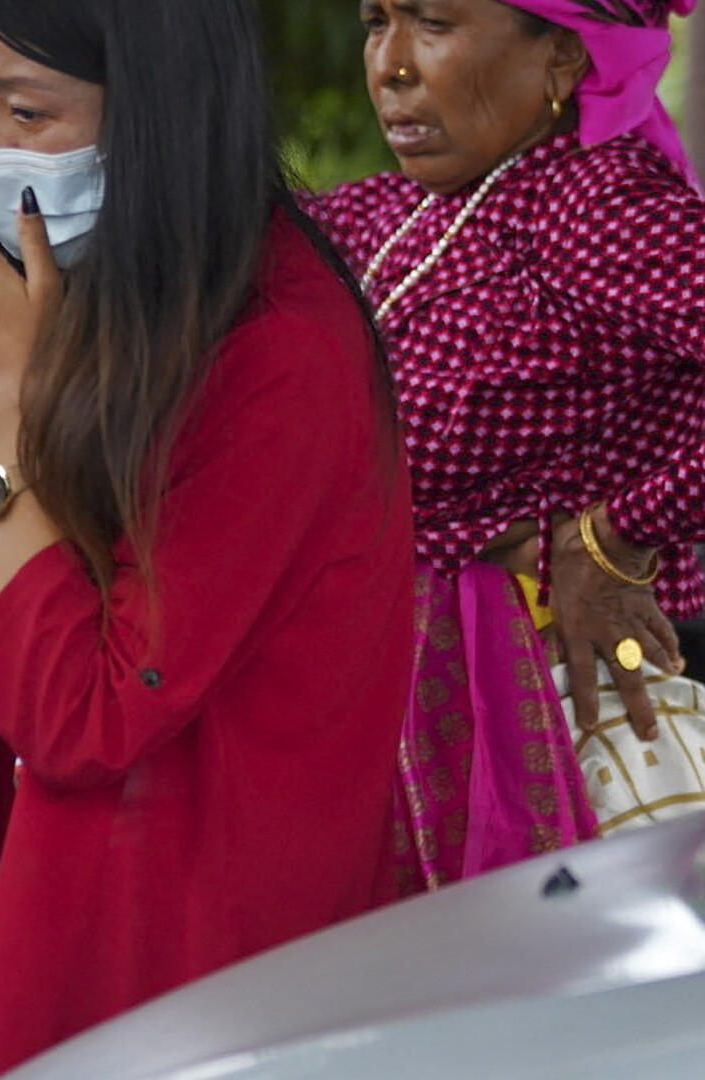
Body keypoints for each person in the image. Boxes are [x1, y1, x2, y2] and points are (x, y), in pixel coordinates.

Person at [0, 0, 416, 1073]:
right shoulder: (97, 288)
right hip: (47, 910)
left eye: (30, 110)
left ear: (161, 114)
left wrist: (15, 391)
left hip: (180, 977)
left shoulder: (280, 358)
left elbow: (86, 715)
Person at [304, 0, 705, 887]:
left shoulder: (596, 208)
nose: (391, 65)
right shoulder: (400, 218)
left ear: (563, 57)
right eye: (378, 20)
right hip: (427, 714)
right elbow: (185, 247)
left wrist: (623, 532)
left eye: (433, 23)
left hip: (586, 721)